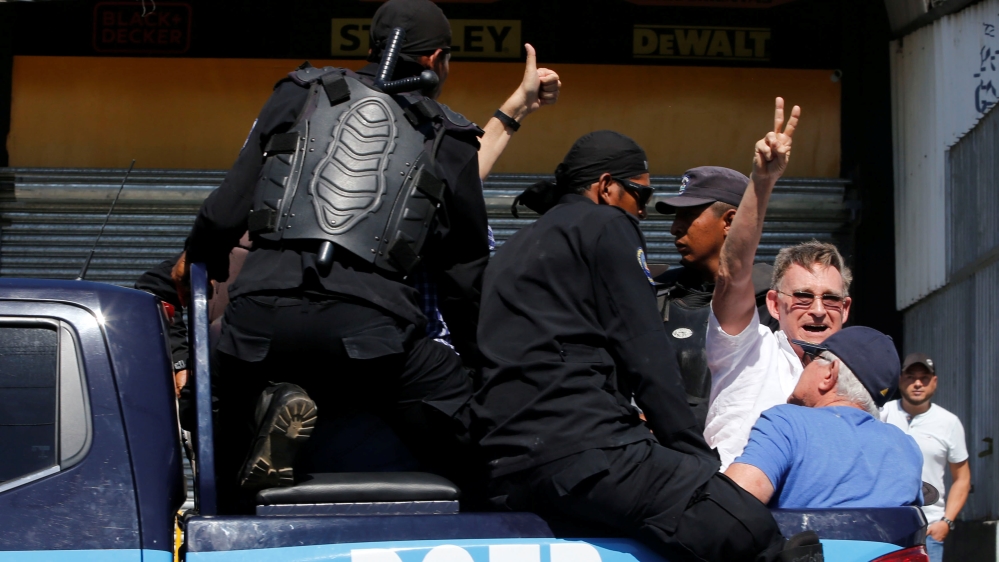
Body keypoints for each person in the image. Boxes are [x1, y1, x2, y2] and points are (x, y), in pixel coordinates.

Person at [170, 0, 556, 513]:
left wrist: (199, 257)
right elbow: (465, 280)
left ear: (372, 48)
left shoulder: (299, 92)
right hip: (369, 335)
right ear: (438, 59)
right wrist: (482, 370)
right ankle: (493, 523)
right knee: (470, 428)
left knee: (214, 395)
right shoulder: (451, 134)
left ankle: (244, 473)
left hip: (259, 321)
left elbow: (224, 212)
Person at [473, 120, 823, 561]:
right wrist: (698, 463)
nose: (641, 212)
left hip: (510, 468)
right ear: (605, 187)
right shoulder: (605, 225)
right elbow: (646, 356)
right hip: (586, 453)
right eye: (639, 194)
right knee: (750, 530)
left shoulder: (511, 250)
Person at [707, 158, 853, 468]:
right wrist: (761, 181)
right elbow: (733, 270)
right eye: (802, 296)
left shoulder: (858, 374)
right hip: (735, 508)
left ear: (845, 308)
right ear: (774, 304)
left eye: (830, 299)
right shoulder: (747, 349)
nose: (817, 310)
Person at [726, 326, 923, 509]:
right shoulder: (907, 447)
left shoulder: (787, 423)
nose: (803, 366)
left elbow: (730, 508)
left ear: (830, 373)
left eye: (811, 358)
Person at [652, 166, 779, 428]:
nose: (675, 228)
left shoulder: (774, 300)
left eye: (688, 216)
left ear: (730, 221)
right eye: (676, 217)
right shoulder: (655, 292)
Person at [882, 353, 971, 562]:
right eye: (911, 377)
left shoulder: (949, 422)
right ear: (900, 379)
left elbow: (962, 478)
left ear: (935, 382)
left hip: (929, 531)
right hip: (885, 528)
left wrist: (946, 522)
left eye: (924, 378)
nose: (917, 383)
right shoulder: (881, 413)